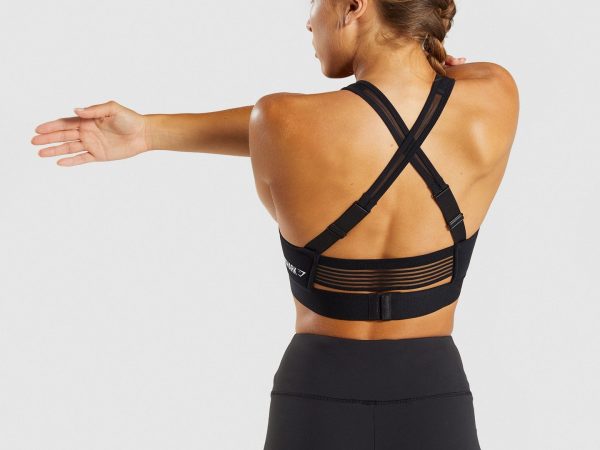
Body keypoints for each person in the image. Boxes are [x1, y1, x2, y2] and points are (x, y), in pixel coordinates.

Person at [31, 0, 519, 448]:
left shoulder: (280, 120)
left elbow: (282, 130)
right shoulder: (494, 94)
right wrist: (431, 62)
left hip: (318, 393)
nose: (309, 22)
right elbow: (407, 100)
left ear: (354, 6)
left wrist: (149, 131)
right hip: (434, 393)